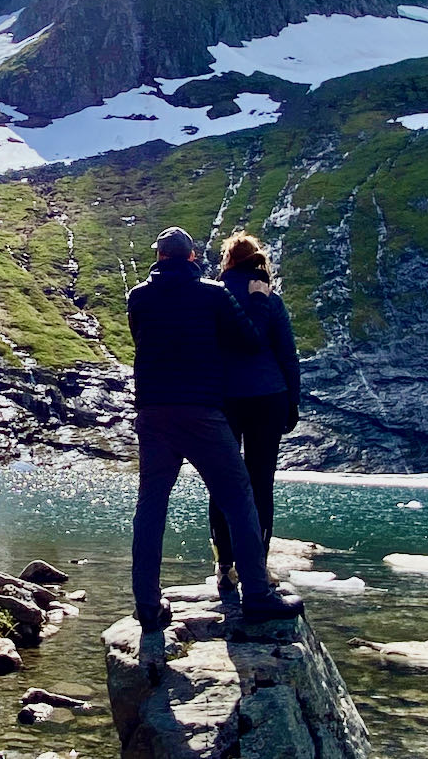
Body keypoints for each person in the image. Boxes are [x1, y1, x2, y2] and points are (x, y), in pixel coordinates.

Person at [127, 225, 304, 631]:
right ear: (191, 257)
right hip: (203, 411)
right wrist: (259, 301)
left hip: (153, 414)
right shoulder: (212, 294)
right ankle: (257, 594)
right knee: (240, 495)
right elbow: (249, 340)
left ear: (159, 257)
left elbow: (142, 339)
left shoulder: (138, 297)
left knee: (151, 505)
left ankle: (149, 607)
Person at [209, 234, 301, 594]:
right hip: (268, 397)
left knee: (223, 481)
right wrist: (292, 401)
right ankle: (258, 567)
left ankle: (224, 564)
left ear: (228, 260)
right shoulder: (270, 300)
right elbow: (287, 356)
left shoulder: (213, 296)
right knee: (261, 482)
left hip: (224, 399)